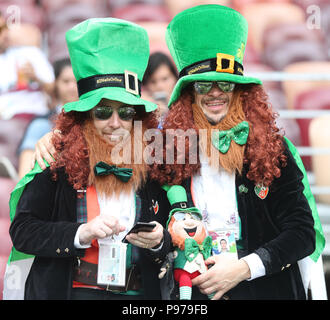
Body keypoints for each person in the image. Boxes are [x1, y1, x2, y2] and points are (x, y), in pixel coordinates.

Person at [149, 5, 323, 300]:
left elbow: (302, 232)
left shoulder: (273, 148)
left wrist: (245, 267)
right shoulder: (168, 152)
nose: (215, 92)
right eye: (204, 84)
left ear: (240, 91)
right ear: (189, 94)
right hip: (195, 294)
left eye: (225, 83)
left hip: (266, 290)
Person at [8, 18, 171, 300]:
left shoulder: (156, 162)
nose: (115, 123)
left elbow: (177, 229)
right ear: (84, 117)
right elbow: (23, 231)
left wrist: (160, 242)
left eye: (126, 113)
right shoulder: (55, 159)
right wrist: (81, 233)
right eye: (103, 112)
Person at [17, 58, 78, 178]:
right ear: (56, 84)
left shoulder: (96, 121)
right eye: (66, 81)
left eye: (76, 82)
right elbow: (24, 175)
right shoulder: (41, 124)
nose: (72, 87)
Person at [0, 12, 54, 121]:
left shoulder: (30, 52)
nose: (5, 34)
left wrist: (36, 78)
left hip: (37, 115)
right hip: (6, 119)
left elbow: (53, 89)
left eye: (5, 28)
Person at [142, 51, 178, 128]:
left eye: (165, 79)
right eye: (153, 81)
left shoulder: (186, 105)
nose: (159, 86)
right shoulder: (143, 109)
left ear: (175, 78)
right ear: (146, 85)